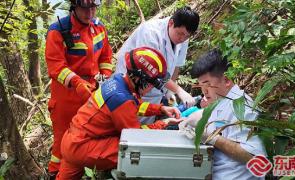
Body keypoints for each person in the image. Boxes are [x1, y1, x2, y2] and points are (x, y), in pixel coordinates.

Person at [56, 47, 181, 179]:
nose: (151, 89)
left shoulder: (118, 81)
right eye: (150, 84)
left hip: (73, 141)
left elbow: (133, 107)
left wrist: (160, 109)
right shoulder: (122, 99)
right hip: (82, 147)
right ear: (139, 79)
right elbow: (136, 136)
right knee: (133, 151)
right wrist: (163, 123)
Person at [45, 0, 113, 176]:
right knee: (63, 141)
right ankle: (55, 174)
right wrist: (76, 82)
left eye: (93, 8)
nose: (89, 13)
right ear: (74, 7)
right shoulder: (59, 31)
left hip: (92, 92)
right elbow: (55, 66)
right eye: (85, 8)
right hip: (65, 97)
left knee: (90, 136)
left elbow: (106, 56)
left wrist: (104, 75)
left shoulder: (99, 28)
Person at [179, 49, 266, 179]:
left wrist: (212, 138)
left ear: (226, 80)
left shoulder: (242, 106)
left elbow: (255, 158)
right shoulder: (221, 100)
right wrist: (190, 121)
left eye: (207, 84)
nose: (204, 91)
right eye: (201, 85)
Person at [115, 6, 200, 124]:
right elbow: (149, 71)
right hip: (133, 87)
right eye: (180, 34)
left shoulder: (183, 37)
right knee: (126, 127)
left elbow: (176, 66)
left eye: (187, 36)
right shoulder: (150, 33)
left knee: (143, 131)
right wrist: (179, 90)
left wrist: (169, 92)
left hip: (153, 92)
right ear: (171, 23)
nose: (183, 39)